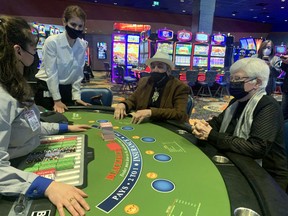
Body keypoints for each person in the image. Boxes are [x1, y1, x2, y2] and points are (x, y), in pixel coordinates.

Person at [0, 15, 91, 216]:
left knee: (60, 119)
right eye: (33, 49)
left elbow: (27, 126)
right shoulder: (1, 98)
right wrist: (47, 186)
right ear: (18, 51)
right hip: (14, 171)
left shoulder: (15, 86)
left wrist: (63, 128)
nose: (36, 54)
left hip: (26, 153)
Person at [191, 58, 288, 192]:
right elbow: (216, 124)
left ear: (257, 82)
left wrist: (212, 135)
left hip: (267, 176)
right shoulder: (236, 102)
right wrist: (202, 126)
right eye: (232, 78)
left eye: (238, 79)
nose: (232, 83)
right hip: (239, 162)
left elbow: (256, 147)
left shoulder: (268, 106)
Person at [34, 5, 90, 113]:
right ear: (64, 22)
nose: (76, 29)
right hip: (47, 87)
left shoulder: (82, 45)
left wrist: (76, 96)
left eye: (80, 26)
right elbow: (52, 73)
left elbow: (78, 73)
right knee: (50, 123)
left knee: (69, 120)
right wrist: (57, 99)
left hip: (66, 88)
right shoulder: (52, 42)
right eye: (73, 24)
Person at [114, 50, 190, 124]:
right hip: (143, 123)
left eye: (160, 67)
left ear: (168, 70)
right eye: (153, 67)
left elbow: (180, 113)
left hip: (165, 126)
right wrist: (123, 104)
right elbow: (132, 100)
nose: (155, 70)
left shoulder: (179, 87)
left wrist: (151, 112)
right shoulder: (144, 81)